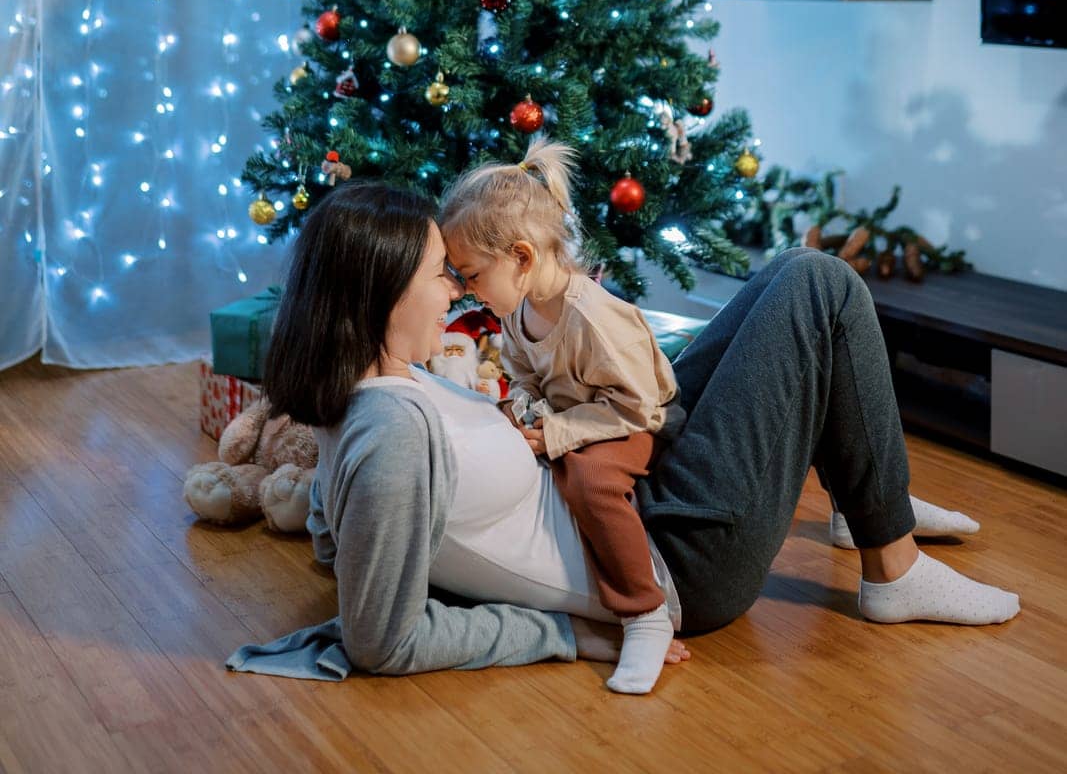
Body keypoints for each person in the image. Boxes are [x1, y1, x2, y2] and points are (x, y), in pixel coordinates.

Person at [226, 179, 1020, 689]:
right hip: (674, 564)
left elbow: (339, 541)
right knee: (821, 285)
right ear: (376, 292)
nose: (455, 288)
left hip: (629, 483)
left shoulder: (379, 384)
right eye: (440, 272)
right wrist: (568, 632)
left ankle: (870, 499)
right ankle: (892, 563)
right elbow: (380, 640)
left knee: (786, 272)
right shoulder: (387, 431)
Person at [438, 138, 685, 694]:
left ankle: (644, 614)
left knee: (590, 479)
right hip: (585, 416)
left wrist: (553, 434)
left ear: (521, 258)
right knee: (544, 458)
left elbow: (637, 406)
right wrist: (522, 412)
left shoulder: (592, 318)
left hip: (641, 419)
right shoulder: (517, 312)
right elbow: (526, 378)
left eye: (472, 274)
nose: (465, 290)